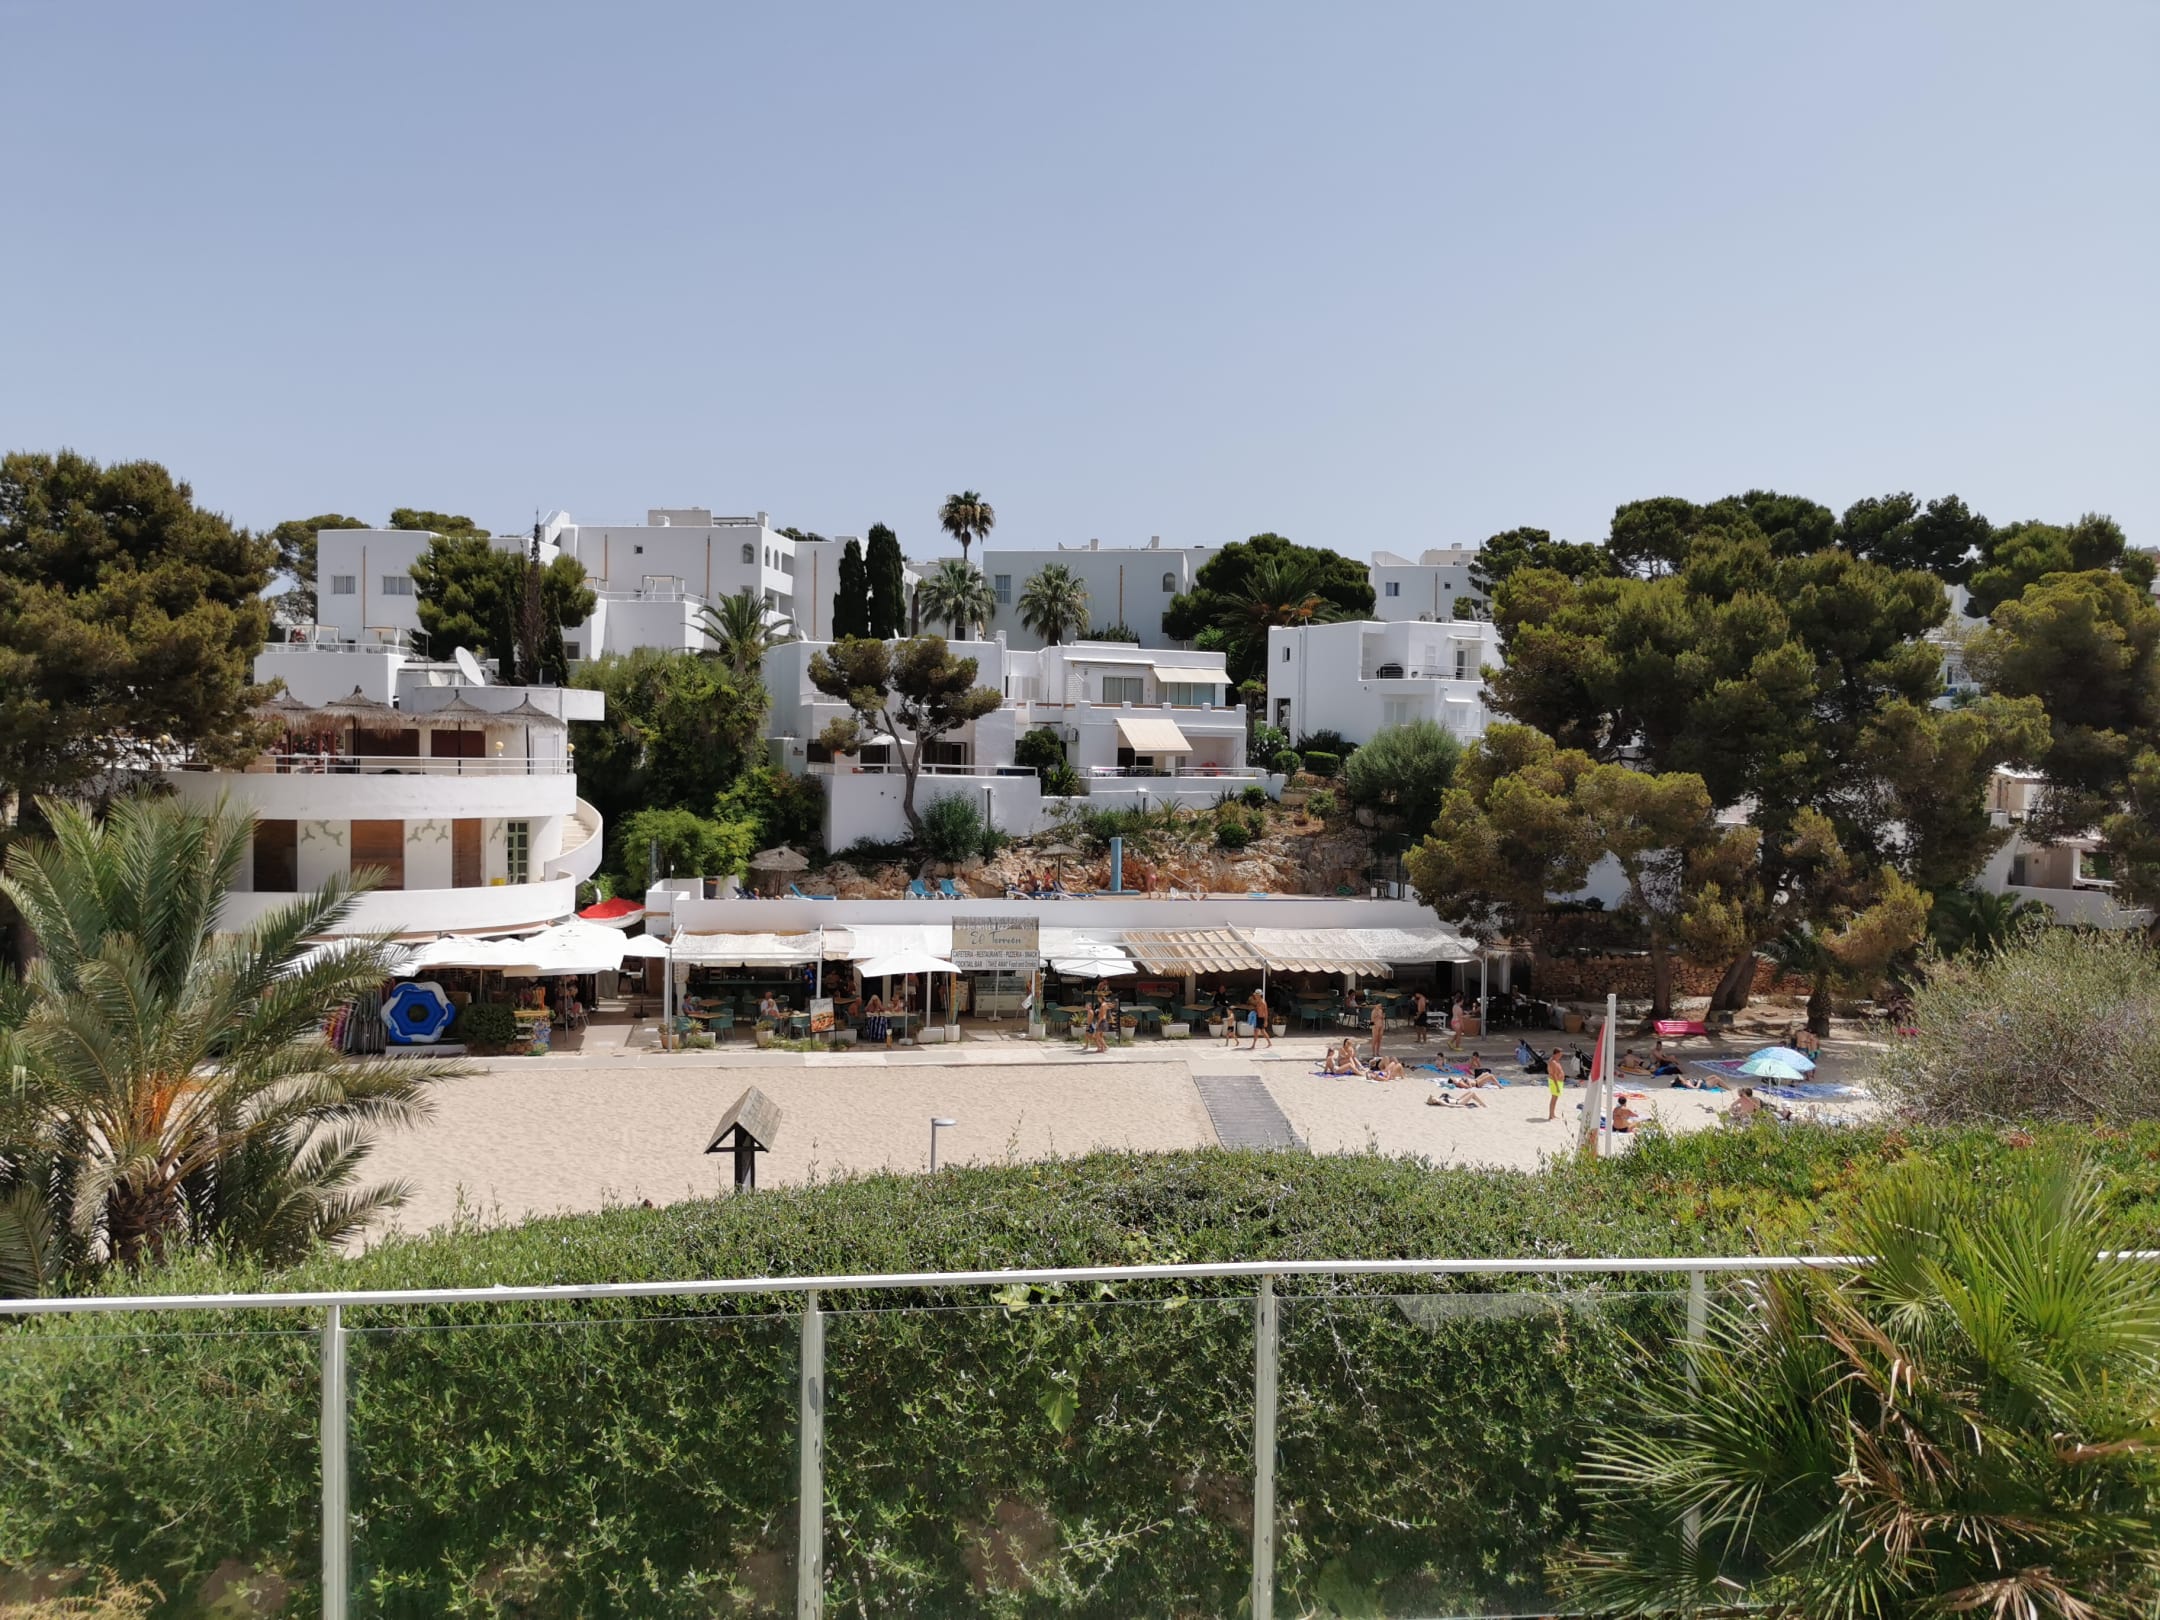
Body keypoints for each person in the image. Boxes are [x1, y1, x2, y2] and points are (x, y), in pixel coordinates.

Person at [1546, 1049, 1566, 1121]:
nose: (1560, 1056)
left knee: (1555, 1098)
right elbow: (1553, 1074)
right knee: (1554, 1099)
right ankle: (1551, 1115)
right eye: (1560, 1054)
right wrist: (1557, 1086)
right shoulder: (1553, 1062)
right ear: (1556, 1054)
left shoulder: (1555, 1060)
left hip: (1558, 1081)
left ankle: (1553, 1114)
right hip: (1555, 1082)